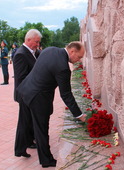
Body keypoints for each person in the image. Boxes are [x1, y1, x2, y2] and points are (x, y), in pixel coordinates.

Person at [16, 41, 87, 168]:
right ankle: (46, 160)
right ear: (72, 51)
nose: (79, 60)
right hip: (38, 98)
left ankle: (20, 149)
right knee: (41, 129)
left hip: (25, 89)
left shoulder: (50, 49)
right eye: (79, 57)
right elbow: (66, 95)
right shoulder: (63, 68)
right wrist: (79, 115)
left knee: (24, 122)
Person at [13, 29, 42, 158]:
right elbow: (21, 78)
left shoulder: (34, 52)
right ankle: (19, 149)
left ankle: (30, 141)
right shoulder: (21, 54)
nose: (38, 44)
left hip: (32, 94)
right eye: (36, 42)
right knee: (24, 123)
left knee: (29, 121)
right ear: (28, 40)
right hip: (25, 95)